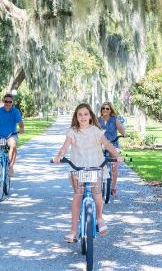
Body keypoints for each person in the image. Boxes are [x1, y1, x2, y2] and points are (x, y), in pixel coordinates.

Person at [53, 103, 123, 243]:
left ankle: (99, 218)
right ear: (76, 117)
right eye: (80, 114)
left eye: (85, 114)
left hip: (95, 166)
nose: (83, 117)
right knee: (78, 195)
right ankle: (73, 231)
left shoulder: (96, 130)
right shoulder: (73, 131)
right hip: (78, 167)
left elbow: (108, 144)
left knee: (97, 194)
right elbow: (65, 147)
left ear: (90, 116)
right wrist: (59, 155)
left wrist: (116, 155)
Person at [98, 101, 126, 197]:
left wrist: (124, 134)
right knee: (98, 164)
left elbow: (121, 129)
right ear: (101, 110)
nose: (105, 110)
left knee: (114, 166)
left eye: (107, 108)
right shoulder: (97, 120)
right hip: (100, 145)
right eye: (103, 108)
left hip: (113, 144)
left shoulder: (114, 120)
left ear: (110, 110)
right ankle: (98, 184)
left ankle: (113, 187)